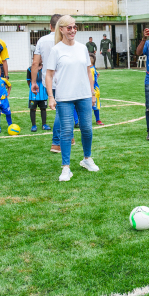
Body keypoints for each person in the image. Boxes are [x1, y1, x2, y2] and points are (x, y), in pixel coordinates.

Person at [45, 16, 99, 182]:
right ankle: (66, 168)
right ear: (60, 29)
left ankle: (87, 159)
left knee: (87, 129)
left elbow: (89, 71)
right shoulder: (56, 50)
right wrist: (51, 96)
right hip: (64, 97)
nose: (73, 30)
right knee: (67, 131)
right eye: (69, 28)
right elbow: (49, 74)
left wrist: (92, 93)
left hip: (83, 95)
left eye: (74, 27)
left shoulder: (82, 48)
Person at [31, 15, 72, 153]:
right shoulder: (64, 39)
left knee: (66, 109)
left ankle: (69, 136)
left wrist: (33, 82)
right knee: (62, 111)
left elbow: (35, 63)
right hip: (63, 80)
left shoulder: (42, 40)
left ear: (50, 26)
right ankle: (56, 143)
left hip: (47, 81)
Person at [27, 64, 49, 132]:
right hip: (33, 95)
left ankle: (44, 124)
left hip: (43, 94)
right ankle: (33, 125)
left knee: (43, 109)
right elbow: (28, 80)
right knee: (33, 109)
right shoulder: (30, 69)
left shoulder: (46, 68)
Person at [90, 54, 103, 125]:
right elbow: (97, 75)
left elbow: (92, 80)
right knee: (94, 105)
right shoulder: (92, 68)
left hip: (93, 90)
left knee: (94, 106)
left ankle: (98, 120)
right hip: (94, 89)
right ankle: (97, 120)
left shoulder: (91, 69)